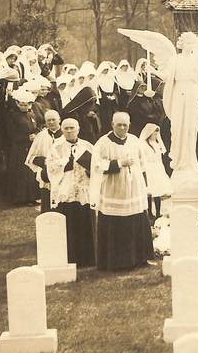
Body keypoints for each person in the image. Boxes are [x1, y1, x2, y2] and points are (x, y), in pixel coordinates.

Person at [90, 112, 156, 271]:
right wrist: (119, 163)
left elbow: (143, 163)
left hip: (134, 188)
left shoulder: (134, 141)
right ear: (112, 125)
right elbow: (97, 165)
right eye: (119, 124)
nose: (122, 128)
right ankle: (116, 261)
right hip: (114, 187)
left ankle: (140, 258)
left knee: (137, 219)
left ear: (129, 125)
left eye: (125, 125)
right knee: (116, 223)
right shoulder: (103, 143)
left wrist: (144, 185)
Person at [46, 118, 96, 268]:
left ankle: (88, 258)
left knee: (85, 222)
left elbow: (96, 167)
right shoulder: (56, 147)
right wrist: (66, 163)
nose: (69, 131)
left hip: (83, 189)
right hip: (66, 190)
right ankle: (70, 257)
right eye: (66, 128)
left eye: (72, 128)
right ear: (61, 130)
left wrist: (88, 168)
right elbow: (51, 168)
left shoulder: (87, 145)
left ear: (78, 129)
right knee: (69, 225)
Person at [3, 89, 40, 205]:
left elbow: (35, 127)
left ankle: (32, 196)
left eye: (26, 105)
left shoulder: (31, 114)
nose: (23, 107)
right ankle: (22, 198)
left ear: (30, 104)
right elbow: (11, 133)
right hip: (19, 148)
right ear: (17, 104)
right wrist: (25, 138)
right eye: (21, 104)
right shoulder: (13, 116)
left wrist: (37, 134)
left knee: (30, 171)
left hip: (30, 147)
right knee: (22, 173)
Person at [25, 109, 62, 212]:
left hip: (63, 174)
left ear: (59, 120)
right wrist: (44, 161)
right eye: (48, 120)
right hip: (46, 174)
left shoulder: (66, 134)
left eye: (53, 120)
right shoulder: (41, 136)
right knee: (47, 206)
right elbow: (31, 158)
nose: (51, 122)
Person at [139, 123, 173, 220]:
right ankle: (149, 213)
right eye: (154, 133)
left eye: (157, 134)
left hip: (157, 168)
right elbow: (143, 158)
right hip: (149, 168)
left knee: (158, 190)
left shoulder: (157, 144)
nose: (156, 135)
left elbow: (160, 157)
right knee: (149, 191)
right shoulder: (143, 144)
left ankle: (158, 212)